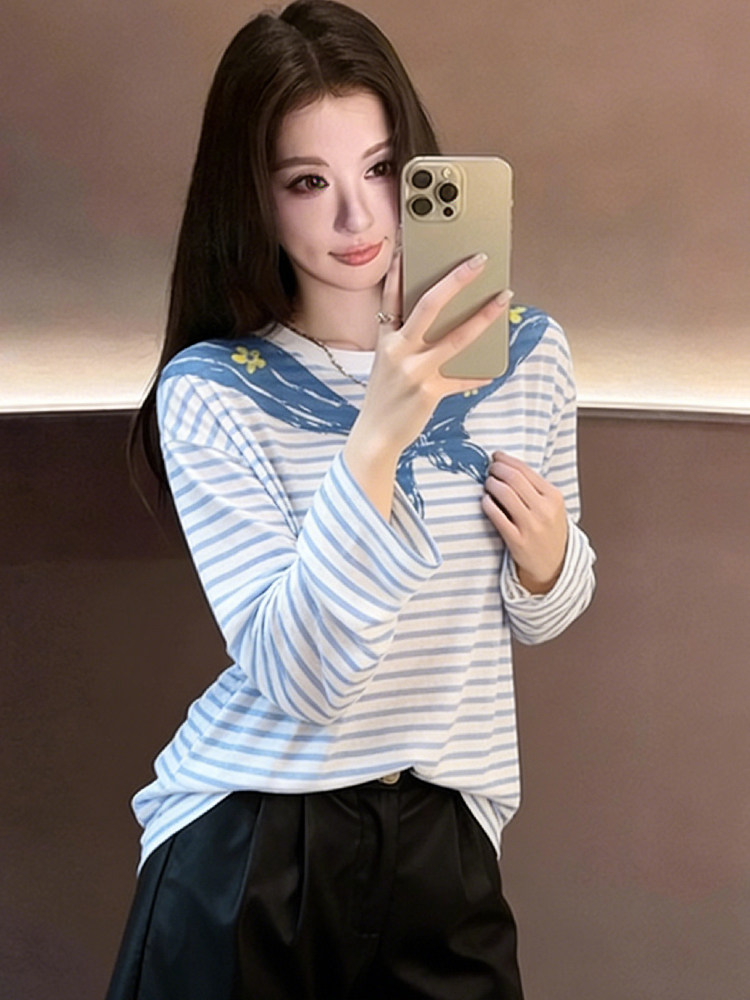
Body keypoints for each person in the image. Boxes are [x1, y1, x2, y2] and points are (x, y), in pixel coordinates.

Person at [108, 2, 596, 997]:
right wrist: (376, 437)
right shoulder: (215, 389)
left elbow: (542, 613)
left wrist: (553, 561)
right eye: (307, 181)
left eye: (379, 169)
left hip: (446, 831)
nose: (357, 219)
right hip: (251, 837)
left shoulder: (528, 356)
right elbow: (302, 678)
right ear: (253, 197)